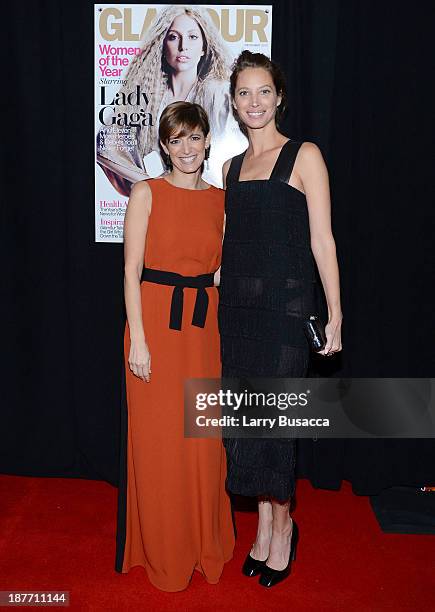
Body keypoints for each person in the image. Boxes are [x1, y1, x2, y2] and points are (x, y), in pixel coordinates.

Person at [218, 51, 343, 588]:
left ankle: (285, 524)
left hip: (289, 314)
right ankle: (263, 525)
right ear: (233, 102)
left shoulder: (305, 156)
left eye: (263, 91)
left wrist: (335, 312)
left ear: (279, 97)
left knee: (276, 423)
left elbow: (322, 240)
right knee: (246, 423)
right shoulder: (228, 167)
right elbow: (229, 244)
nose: (254, 102)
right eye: (244, 93)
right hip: (239, 316)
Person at [116, 101, 235, 592]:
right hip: (156, 332)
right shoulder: (146, 193)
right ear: (164, 146)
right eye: (176, 139)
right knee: (160, 443)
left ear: (208, 140)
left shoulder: (222, 199)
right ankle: (163, 550)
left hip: (204, 332)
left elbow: (224, 268)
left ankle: (206, 544)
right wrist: (138, 341)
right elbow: (130, 271)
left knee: (204, 443)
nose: (186, 148)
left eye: (194, 137)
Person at [97, 6, 242, 195]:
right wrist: (151, 183)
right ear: (162, 44)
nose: (183, 46)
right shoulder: (149, 97)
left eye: (192, 37)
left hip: (207, 198)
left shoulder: (216, 93)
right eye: (174, 37)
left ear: (204, 47)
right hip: (163, 201)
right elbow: (105, 145)